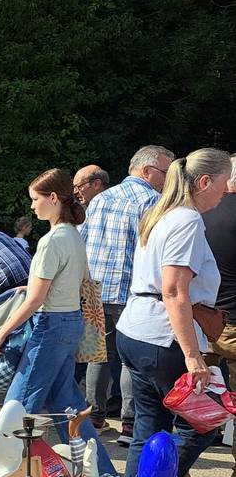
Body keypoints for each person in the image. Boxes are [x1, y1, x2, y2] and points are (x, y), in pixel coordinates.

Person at [117, 148, 232, 477]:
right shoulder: (187, 220)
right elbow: (173, 290)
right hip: (162, 337)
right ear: (205, 182)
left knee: (148, 427)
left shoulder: (162, 214)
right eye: (224, 182)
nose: (226, 191)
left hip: (137, 330)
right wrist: (193, 356)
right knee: (204, 422)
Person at [0, 168, 116, 477]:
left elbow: (36, 300)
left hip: (50, 325)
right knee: (68, 405)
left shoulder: (51, 241)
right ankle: (103, 475)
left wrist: (2, 332)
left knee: (17, 406)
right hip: (69, 322)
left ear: (54, 198)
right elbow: (70, 282)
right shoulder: (73, 235)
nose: (32, 206)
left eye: (36, 199)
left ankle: (1, 475)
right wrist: (32, 287)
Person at [82, 145, 174, 442]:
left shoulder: (100, 199)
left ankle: (93, 417)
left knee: (97, 355)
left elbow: (83, 240)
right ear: (147, 171)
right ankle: (130, 424)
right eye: (166, 172)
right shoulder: (153, 201)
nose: (168, 178)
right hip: (128, 289)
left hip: (94, 289)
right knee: (129, 362)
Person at [204, 155, 236, 477]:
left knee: (191, 399)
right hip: (234, 323)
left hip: (200, 319)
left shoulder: (199, 213)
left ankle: (175, 471)